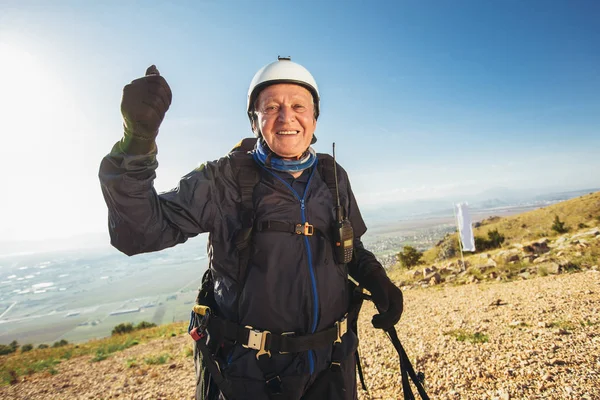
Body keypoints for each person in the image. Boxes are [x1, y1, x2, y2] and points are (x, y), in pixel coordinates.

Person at [99, 57, 404, 400]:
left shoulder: (332, 177)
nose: (286, 117)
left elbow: (350, 246)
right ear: (255, 122)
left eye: (298, 106)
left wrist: (377, 278)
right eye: (271, 107)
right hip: (249, 373)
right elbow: (140, 231)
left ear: (314, 117)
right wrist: (137, 141)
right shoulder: (223, 179)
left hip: (332, 365)